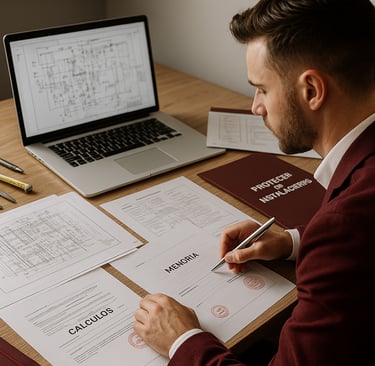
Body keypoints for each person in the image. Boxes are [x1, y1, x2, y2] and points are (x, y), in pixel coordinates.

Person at [133, 0, 375, 364]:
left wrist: (182, 340)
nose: (256, 107)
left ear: (311, 90)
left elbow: (352, 229)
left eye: (261, 89)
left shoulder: (343, 227)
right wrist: (293, 241)